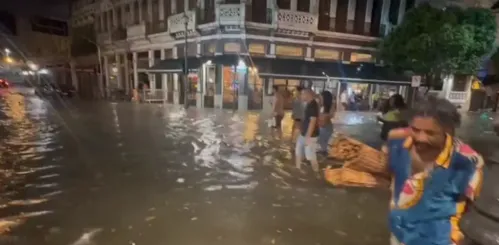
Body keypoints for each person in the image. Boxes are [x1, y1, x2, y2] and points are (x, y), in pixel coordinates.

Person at [386, 96, 484, 245]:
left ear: (448, 131)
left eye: (430, 133)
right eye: (416, 130)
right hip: (399, 233)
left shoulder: (466, 162)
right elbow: (393, 176)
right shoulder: (397, 144)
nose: (421, 138)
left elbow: (470, 210)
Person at [295, 89, 320, 173]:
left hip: (310, 136)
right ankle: (297, 170)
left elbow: (313, 122)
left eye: (302, 94)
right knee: (298, 151)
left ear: (307, 95)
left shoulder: (313, 105)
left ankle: (316, 173)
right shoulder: (309, 104)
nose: (300, 96)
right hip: (304, 134)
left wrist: (307, 137)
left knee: (310, 156)